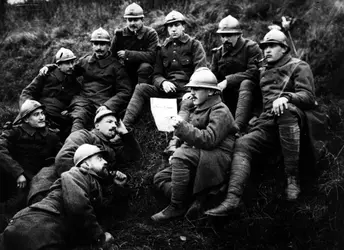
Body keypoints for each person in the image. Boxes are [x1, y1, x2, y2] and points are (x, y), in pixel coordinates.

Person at [205, 29, 318, 217]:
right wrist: (218, 84)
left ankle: (292, 179)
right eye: (264, 46)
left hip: (296, 121)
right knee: (242, 143)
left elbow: (308, 96)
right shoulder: (262, 70)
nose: (266, 50)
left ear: (284, 48)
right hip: (267, 122)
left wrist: (287, 98)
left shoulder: (299, 66)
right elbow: (247, 78)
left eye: (272, 46)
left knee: (286, 111)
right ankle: (232, 199)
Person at [0, 144, 128, 250]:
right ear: (85, 164)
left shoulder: (93, 184)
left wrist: (119, 187)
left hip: (36, 228)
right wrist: (99, 236)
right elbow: (78, 206)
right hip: (37, 226)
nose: (106, 162)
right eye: (99, 158)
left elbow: (106, 213)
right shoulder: (76, 173)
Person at [151, 68, 237, 222]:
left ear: (210, 92)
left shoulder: (220, 110)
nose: (191, 92)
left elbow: (209, 139)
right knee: (160, 178)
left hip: (217, 155)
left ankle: (176, 206)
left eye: (196, 89)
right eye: (191, 88)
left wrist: (182, 127)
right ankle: (192, 199)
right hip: (200, 152)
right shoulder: (198, 107)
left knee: (180, 156)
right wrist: (178, 144)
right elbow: (192, 136)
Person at [122, 10, 207, 153]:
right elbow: (156, 74)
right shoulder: (163, 49)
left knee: (186, 104)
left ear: (183, 26)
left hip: (186, 92)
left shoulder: (194, 45)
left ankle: (174, 142)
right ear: (167, 29)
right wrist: (162, 83)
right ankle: (124, 128)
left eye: (177, 25)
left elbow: (201, 71)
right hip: (167, 91)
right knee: (141, 88)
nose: (173, 29)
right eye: (170, 26)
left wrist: (191, 91)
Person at [28, 109, 142, 205]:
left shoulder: (112, 150)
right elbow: (64, 159)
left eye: (116, 123)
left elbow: (136, 157)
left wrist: (125, 132)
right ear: (97, 125)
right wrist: (91, 185)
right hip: (51, 184)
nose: (113, 126)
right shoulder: (84, 135)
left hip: (78, 193)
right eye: (109, 122)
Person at [41, 27, 132, 132]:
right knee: (78, 119)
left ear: (109, 45)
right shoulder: (85, 61)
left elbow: (125, 91)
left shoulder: (117, 67)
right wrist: (51, 67)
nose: (99, 48)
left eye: (102, 44)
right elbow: (69, 70)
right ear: (92, 45)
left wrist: (108, 105)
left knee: (103, 129)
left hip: (102, 103)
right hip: (83, 101)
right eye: (96, 44)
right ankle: (71, 145)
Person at [0, 100, 61, 219]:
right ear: (26, 119)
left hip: (35, 179)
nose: (42, 117)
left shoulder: (51, 136)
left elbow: (62, 154)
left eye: (42, 113)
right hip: (12, 176)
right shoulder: (15, 132)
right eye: (36, 114)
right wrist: (18, 173)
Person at [211, 15, 263, 134]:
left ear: (238, 34)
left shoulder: (251, 48)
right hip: (228, 98)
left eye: (229, 35)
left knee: (246, 83)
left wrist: (227, 81)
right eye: (223, 36)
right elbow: (213, 76)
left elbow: (253, 73)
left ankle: (238, 128)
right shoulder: (218, 53)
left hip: (251, 96)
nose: (225, 39)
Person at [19, 47, 81, 141]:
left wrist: (69, 110)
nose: (71, 66)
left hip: (57, 118)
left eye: (72, 62)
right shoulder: (46, 75)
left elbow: (77, 99)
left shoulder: (74, 83)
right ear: (59, 65)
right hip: (38, 112)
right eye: (67, 63)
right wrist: (29, 108)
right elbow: (27, 92)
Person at [110, 2, 159, 86]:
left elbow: (152, 56)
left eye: (135, 20)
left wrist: (128, 54)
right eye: (130, 20)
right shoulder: (120, 34)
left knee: (145, 67)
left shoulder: (150, 33)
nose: (132, 23)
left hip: (144, 73)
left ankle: (142, 94)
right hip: (125, 69)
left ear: (142, 20)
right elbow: (112, 55)